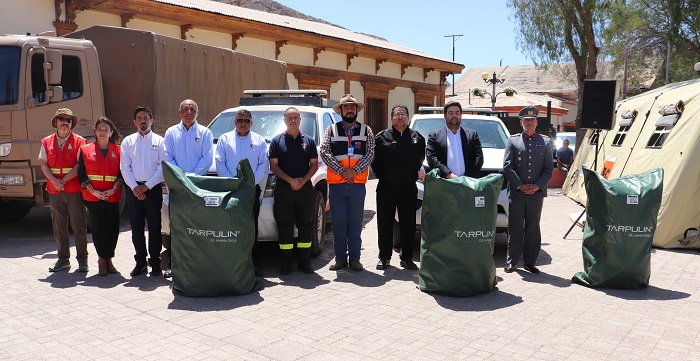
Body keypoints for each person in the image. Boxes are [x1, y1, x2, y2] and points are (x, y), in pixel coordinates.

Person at [320, 94, 375, 271]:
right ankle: (340, 259)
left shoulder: (366, 130)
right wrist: (342, 171)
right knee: (338, 222)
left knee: (355, 223)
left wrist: (355, 171)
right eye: (346, 107)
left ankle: (355, 259)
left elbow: (370, 152)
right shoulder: (331, 130)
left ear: (356, 110)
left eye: (352, 107)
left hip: (357, 185)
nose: (349, 110)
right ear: (341, 110)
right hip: (337, 185)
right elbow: (325, 152)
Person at [162, 99, 214, 278]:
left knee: (197, 226)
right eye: (185, 109)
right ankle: (173, 264)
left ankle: (197, 265)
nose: (189, 112)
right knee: (175, 227)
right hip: (176, 187)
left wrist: (190, 179)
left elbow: (207, 159)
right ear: (179, 112)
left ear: (197, 112)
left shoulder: (205, 133)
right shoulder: (171, 133)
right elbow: (167, 157)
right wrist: (180, 179)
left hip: (196, 187)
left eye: (192, 109)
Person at [371, 104, 425, 270]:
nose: (400, 117)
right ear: (391, 118)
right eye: (397, 115)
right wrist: (386, 176)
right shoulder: (381, 138)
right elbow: (375, 162)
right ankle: (384, 257)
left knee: (408, 224)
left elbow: (419, 160)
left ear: (408, 117)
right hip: (386, 188)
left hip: (408, 188)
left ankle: (407, 258)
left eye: (403, 114)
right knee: (385, 223)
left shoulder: (417, 138)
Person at [215, 109, 268, 276]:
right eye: (239, 120)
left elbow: (263, 166)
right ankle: (231, 262)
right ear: (234, 122)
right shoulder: (224, 139)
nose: (243, 123)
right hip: (230, 189)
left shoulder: (259, 141)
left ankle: (253, 262)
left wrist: (249, 184)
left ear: (251, 123)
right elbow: (219, 162)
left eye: (246, 120)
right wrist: (233, 183)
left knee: (251, 226)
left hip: (251, 190)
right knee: (230, 227)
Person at [268, 107, 319, 275]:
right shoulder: (276, 141)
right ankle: (286, 264)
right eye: (289, 117)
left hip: (304, 190)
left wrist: (303, 181)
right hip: (284, 189)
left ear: (300, 119)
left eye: (296, 117)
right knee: (285, 227)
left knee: (306, 225)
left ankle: (304, 263)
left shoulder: (309, 141)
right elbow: (273, 166)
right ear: (284, 120)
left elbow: (314, 164)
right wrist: (290, 181)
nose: (293, 120)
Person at [503, 106, 553, 274]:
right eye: (526, 120)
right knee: (515, 228)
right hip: (517, 193)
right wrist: (520, 185)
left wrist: (537, 186)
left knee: (533, 227)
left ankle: (530, 262)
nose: (529, 123)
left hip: (536, 194)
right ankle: (512, 261)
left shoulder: (545, 142)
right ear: (521, 122)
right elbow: (508, 166)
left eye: (532, 120)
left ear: (537, 122)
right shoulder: (513, 140)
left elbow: (548, 169)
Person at [39, 108, 89, 273]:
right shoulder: (46, 142)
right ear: (55, 122)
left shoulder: (80, 141)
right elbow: (43, 164)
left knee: (78, 225)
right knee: (58, 226)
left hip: (73, 190)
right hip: (55, 190)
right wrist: (54, 181)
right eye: (62, 119)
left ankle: (82, 260)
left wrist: (63, 180)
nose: (65, 122)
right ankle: (63, 260)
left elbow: (79, 166)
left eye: (68, 120)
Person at [120, 106, 165, 277]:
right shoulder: (128, 142)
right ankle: (140, 262)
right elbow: (125, 168)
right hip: (134, 190)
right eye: (139, 118)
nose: (143, 120)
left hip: (152, 190)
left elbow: (163, 167)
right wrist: (135, 188)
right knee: (136, 228)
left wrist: (146, 186)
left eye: (146, 117)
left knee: (154, 227)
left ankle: (155, 263)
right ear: (135, 122)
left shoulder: (160, 141)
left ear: (152, 120)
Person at [77, 117, 123, 276]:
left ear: (111, 133)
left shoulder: (118, 151)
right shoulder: (85, 150)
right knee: (98, 229)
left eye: (106, 130)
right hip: (93, 196)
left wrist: (114, 189)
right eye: (99, 129)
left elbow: (122, 174)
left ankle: (109, 259)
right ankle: (102, 260)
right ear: (94, 131)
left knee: (113, 229)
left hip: (112, 196)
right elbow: (81, 174)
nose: (102, 132)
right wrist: (93, 191)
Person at [426, 101, 484, 179]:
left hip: (469, 184)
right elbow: (431, 158)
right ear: (445, 116)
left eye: (457, 113)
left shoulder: (472, 135)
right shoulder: (434, 136)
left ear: (461, 115)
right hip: (444, 183)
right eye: (451, 113)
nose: (454, 116)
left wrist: (465, 178)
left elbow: (479, 158)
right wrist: (448, 174)